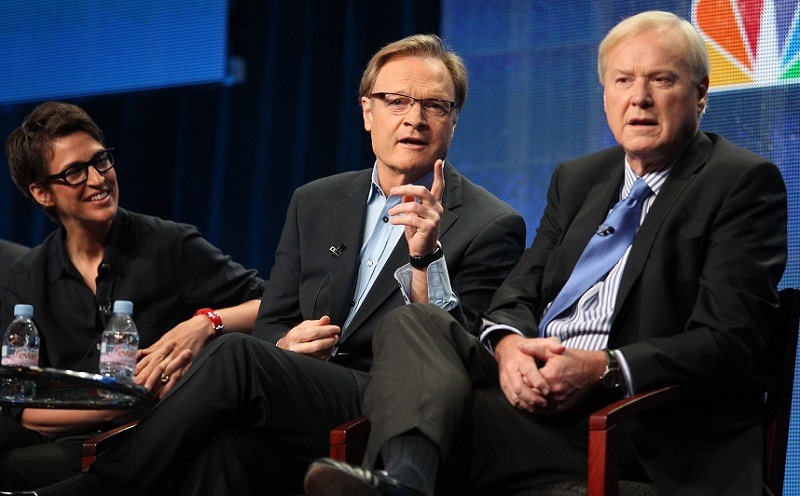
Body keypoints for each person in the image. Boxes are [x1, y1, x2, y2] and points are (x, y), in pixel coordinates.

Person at [303, 11, 789, 496]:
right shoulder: (580, 180)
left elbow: (729, 339)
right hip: (532, 398)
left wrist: (600, 367)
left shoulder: (739, 182)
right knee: (414, 321)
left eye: (661, 80)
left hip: (640, 425)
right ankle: (403, 482)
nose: (639, 98)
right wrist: (509, 347)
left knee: (445, 421)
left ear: (700, 93)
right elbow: (517, 294)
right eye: (623, 80)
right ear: (605, 96)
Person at [24, 34, 526, 496]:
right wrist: (285, 347)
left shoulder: (490, 223)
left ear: (454, 120)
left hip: (394, 405)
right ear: (367, 111)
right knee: (221, 454)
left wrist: (425, 257)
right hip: (301, 395)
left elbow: (462, 355)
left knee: (235, 355)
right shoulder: (316, 201)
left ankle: (94, 489)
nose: (415, 118)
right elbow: (272, 323)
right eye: (396, 101)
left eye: (435, 105)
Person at [0, 102, 265, 490]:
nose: (98, 179)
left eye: (101, 161)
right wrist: (113, 403)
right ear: (42, 193)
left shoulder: (170, 245)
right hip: (74, 437)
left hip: (159, 432)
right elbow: (22, 407)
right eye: (75, 172)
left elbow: (271, 304)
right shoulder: (27, 276)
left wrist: (206, 323)